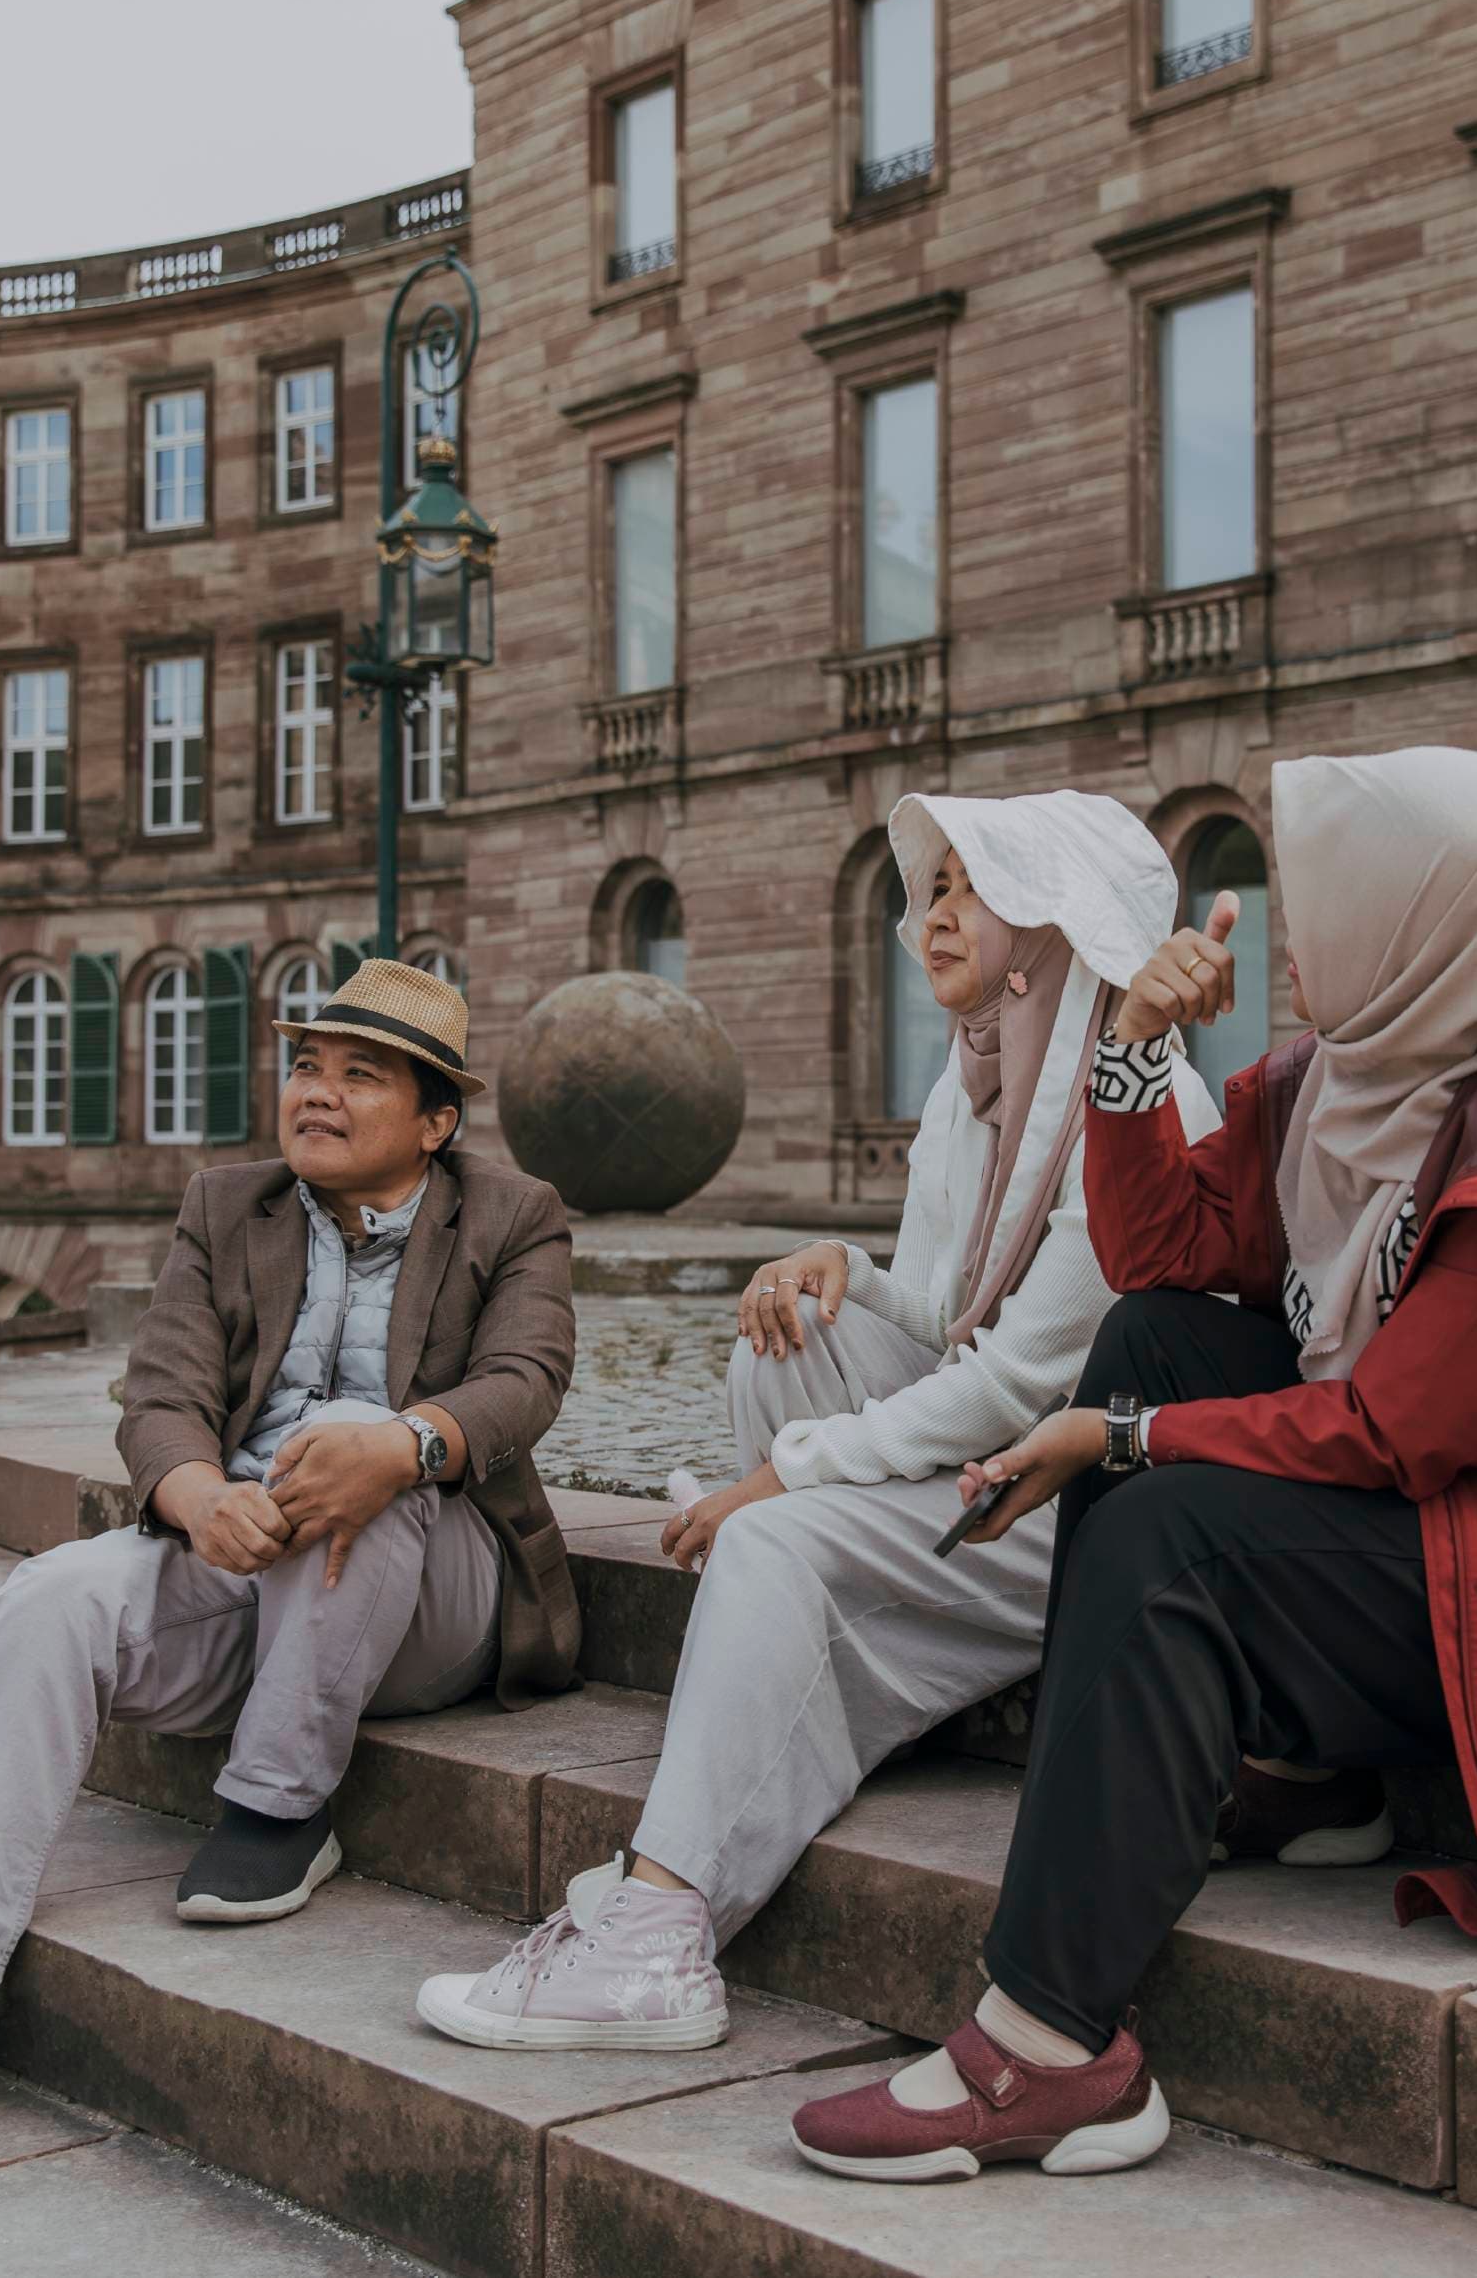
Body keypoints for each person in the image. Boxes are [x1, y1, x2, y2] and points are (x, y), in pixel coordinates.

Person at [786, 746, 1477, 2182]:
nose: (1295, 921)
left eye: (1325, 890)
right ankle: (1311, 1777)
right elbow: (1161, 1258)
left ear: (1427, 917)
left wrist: (1123, 1439)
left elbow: (1398, 1425)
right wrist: (1137, 1050)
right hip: (1465, 1539)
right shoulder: (1337, 1089)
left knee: (1175, 1522)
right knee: (1154, 1337)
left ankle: (1051, 2046)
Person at [413, 791, 1218, 2052]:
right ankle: (805, 1673)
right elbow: (955, 1314)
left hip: (1088, 1505)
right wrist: (842, 1264)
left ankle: (655, 1944)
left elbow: (1019, 1384)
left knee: (775, 1540)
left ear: (1051, 919)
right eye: (932, 885)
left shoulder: (1130, 1091)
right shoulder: (982, 1077)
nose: (932, 916)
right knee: (795, 1325)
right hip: (1000, 1463)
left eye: (968, 886)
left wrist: (780, 1485)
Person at [0, 960, 576, 2151]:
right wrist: (195, 1490)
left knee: (349, 1446)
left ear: (436, 1122)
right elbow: (162, 1392)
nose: (315, 1094)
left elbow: (522, 1384)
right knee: (51, 1594)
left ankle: (279, 1802)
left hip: (435, 1587)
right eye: (305, 1067)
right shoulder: (228, 1206)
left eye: (358, 1076)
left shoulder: (511, 1212)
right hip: (244, 1557)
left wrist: (403, 1443)